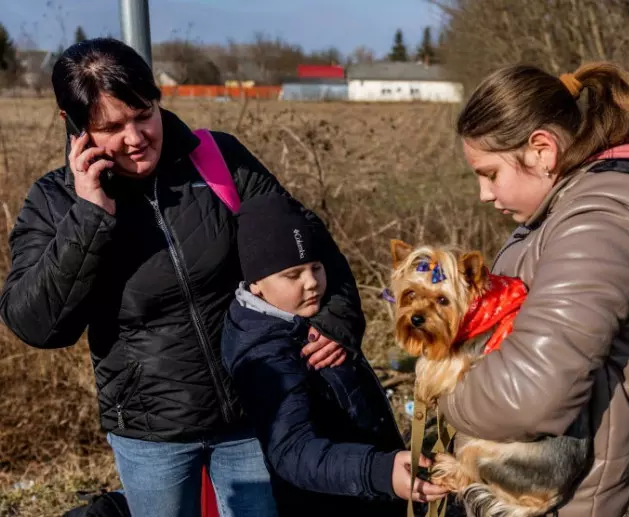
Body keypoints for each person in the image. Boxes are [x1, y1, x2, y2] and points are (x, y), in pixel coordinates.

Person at [0, 38, 363, 517]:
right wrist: (89, 216)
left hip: (253, 410)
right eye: (111, 127)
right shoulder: (54, 202)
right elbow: (36, 325)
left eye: (143, 115)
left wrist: (337, 319)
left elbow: (306, 240)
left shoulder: (218, 160)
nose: (135, 138)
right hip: (152, 436)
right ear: (75, 127)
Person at [437, 63, 629, 516]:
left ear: (542, 150)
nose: (484, 194)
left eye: (489, 173)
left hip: (564, 498)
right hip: (530, 484)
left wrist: (443, 390)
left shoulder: (594, 229)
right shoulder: (558, 216)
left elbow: (527, 399)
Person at [221, 194, 447, 516]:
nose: (311, 283)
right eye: (293, 275)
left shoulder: (313, 315)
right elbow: (293, 450)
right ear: (256, 284)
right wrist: (379, 471)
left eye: (316, 267)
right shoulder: (264, 354)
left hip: (374, 487)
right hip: (334, 502)